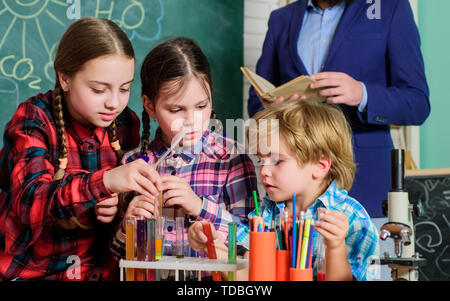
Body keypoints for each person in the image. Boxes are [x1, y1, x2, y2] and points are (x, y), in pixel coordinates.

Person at [0, 17, 162, 280]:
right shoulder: (34, 120)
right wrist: (106, 181)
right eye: (99, 90)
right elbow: (30, 204)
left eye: (124, 89)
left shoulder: (125, 124)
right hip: (35, 272)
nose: (114, 103)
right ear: (65, 79)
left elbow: (122, 213)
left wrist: (124, 208)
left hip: (100, 272)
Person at [247, 0, 430, 217]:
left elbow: (417, 103)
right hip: (294, 199)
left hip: (366, 183)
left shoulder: (390, 7)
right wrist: (274, 108)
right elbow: (255, 103)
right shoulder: (281, 18)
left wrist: (362, 94)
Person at [189, 100, 380, 281]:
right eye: (261, 160)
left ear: (320, 166)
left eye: (277, 161)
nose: (264, 170)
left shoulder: (352, 219)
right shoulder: (267, 211)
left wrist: (335, 246)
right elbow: (250, 276)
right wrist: (212, 246)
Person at [110, 37, 257, 267]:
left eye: (201, 106)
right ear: (150, 106)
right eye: (176, 109)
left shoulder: (232, 159)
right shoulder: (132, 165)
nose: (192, 120)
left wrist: (199, 206)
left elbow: (253, 242)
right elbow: (117, 257)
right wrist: (129, 226)